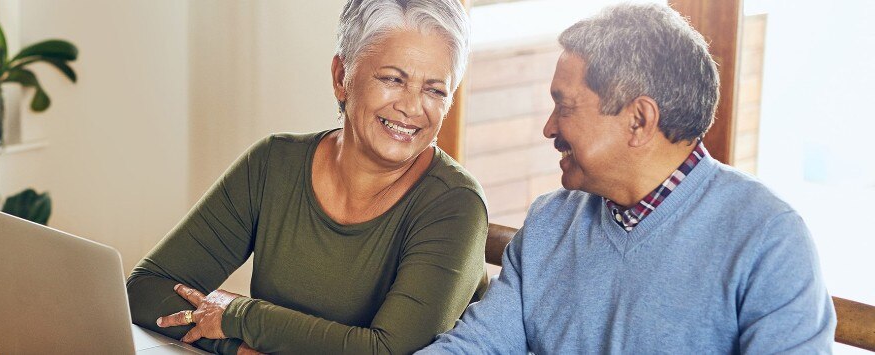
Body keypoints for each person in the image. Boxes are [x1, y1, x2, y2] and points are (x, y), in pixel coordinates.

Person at [416, 3, 836, 354]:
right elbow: (476, 346)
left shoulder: (769, 239)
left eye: (565, 107)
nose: (549, 128)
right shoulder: (550, 221)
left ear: (639, 120)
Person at [126, 0, 486, 354]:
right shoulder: (273, 164)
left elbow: (389, 350)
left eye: (435, 90)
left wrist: (242, 317)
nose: (411, 107)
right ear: (340, 77)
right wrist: (235, 347)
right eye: (393, 78)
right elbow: (144, 291)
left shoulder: (457, 205)